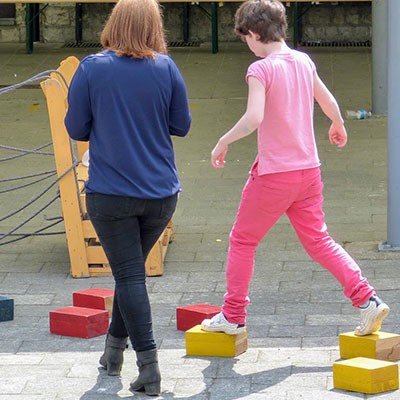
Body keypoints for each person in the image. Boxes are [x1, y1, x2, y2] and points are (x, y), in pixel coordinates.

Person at [201, 0, 389, 338]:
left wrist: (223, 141)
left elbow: (254, 118)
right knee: (319, 240)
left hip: (274, 175)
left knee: (242, 240)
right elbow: (328, 100)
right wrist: (337, 124)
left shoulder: (260, 70)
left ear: (255, 34)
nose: (247, 45)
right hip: (309, 172)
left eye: (246, 39)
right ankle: (367, 299)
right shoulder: (303, 61)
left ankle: (232, 316)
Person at [64, 0, 191, 395]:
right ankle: (112, 353)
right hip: (161, 196)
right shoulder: (166, 67)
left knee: (130, 275)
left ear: (113, 23)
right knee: (129, 272)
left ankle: (149, 366)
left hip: (111, 195)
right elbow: (181, 125)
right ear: (156, 27)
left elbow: (76, 128)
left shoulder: (92, 68)